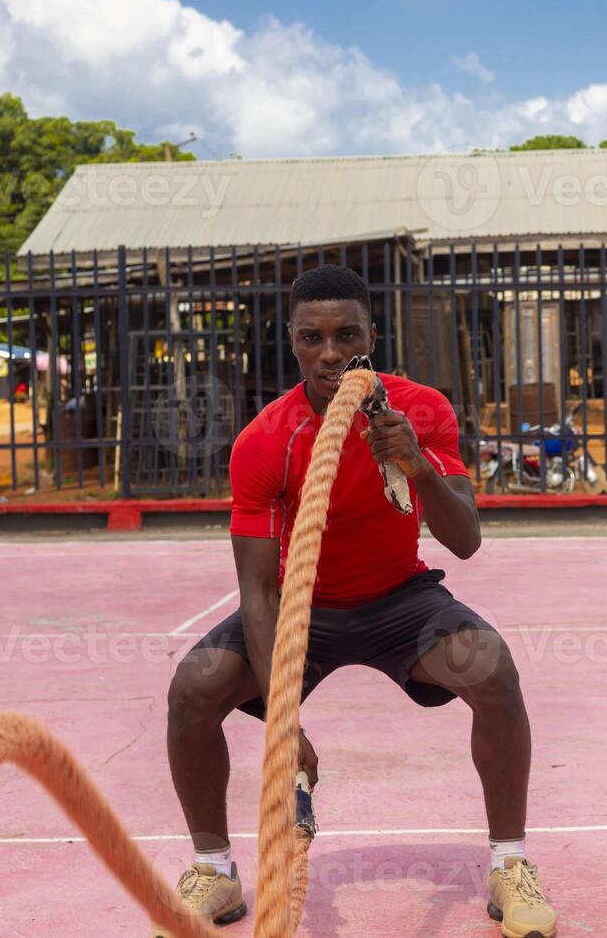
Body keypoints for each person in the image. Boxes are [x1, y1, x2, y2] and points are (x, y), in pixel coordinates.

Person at [157, 265, 557, 938]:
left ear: (372, 335)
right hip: (300, 610)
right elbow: (257, 588)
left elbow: (465, 541)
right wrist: (283, 724)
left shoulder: (422, 410)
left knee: (492, 669)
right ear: (293, 342)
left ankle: (510, 865)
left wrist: (416, 460)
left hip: (398, 600)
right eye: (312, 338)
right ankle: (214, 871)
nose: (331, 353)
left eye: (347, 335)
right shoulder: (264, 439)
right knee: (193, 690)